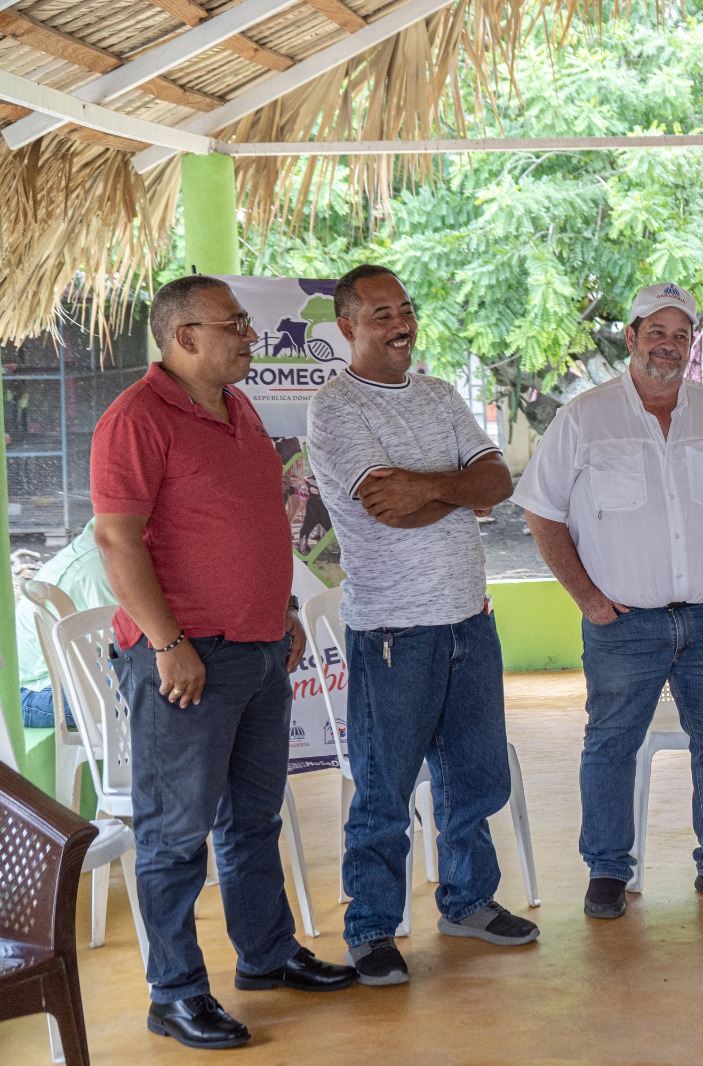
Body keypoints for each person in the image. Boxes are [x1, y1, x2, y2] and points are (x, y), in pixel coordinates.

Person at [92, 275, 356, 1052]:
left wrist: (280, 613)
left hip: (259, 651)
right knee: (176, 837)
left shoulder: (237, 407)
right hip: (187, 662)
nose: (250, 335)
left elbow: (248, 524)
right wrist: (167, 643)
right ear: (184, 337)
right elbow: (116, 539)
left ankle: (266, 956)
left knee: (253, 820)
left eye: (246, 322)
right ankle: (174, 994)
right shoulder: (136, 419)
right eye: (234, 324)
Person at [517, 282, 703, 919]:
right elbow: (540, 510)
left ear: (691, 345)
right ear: (632, 337)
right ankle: (607, 870)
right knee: (610, 744)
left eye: (681, 335)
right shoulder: (584, 418)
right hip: (622, 623)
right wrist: (586, 597)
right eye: (657, 332)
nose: (669, 345)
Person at [307, 264, 535, 986]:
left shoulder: (438, 395)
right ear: (347, 326)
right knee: (385, 790)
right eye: (381, 314)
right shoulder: (336, 408)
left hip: (469, 619)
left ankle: (468, 902)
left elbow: (498, 482)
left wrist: (430, 485)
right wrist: (458, 490)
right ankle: (372, 929)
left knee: (473, 780)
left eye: (405, 309)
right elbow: (388, 508)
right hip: (393, 633)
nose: (400, 323)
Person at [15, 518, 115, 729]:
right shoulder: (99, 565)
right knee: (152, 682)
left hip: (66, 676)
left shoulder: (99, 547)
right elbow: (132, 647)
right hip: (37, 691)